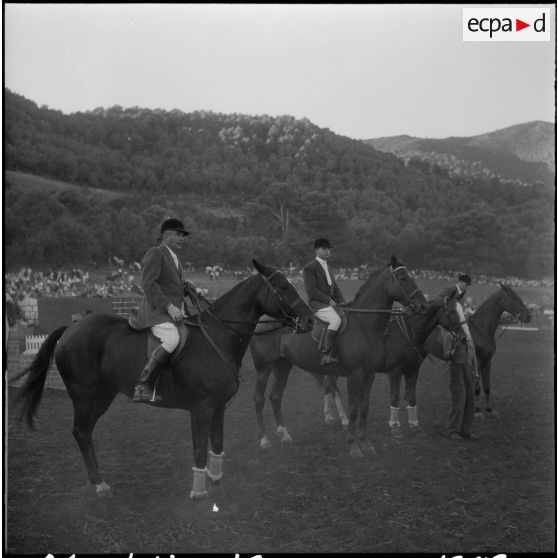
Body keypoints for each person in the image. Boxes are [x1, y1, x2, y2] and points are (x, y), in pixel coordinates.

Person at [131, 218, 191, 402]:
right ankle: (143, 386)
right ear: (166, 235)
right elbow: (148, 284)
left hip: (173, 312)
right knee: (172, 339)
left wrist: (186, 286)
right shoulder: (156, 253)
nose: (182, 238)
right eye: (178, 234)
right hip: (157, 312)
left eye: (183, 235)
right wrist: (169, 306)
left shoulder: (173, 257)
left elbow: (170, 284)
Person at [437, 273, 479, 440]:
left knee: (470, 400)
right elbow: (447, 354)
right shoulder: (450, 332)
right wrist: (453, 347)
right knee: (459, 398)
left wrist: (475, 370)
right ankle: (452, 430)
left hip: (467, 362)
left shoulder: (461, 312)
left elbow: (471, 347)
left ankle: (465, 430)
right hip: (457, 364)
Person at [303, 238, 346, 365]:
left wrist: (343, 302)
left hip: (329, 304)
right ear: (316, 250)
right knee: (335, 320)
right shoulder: (309, 268)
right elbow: (312, 290)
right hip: (317, 305)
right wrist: (329, 300)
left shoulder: (329, 267)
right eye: (324, 249)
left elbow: (335, 287)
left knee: (346, 316)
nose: (327, 251)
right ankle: (325, 354)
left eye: (328, 249)